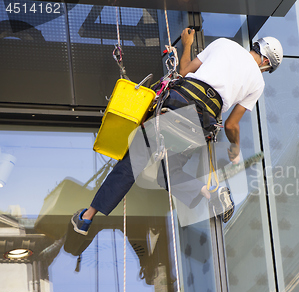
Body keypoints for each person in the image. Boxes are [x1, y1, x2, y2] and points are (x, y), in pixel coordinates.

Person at [71, 28, 283, 235]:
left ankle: (87, 217)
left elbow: (183, 72)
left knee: (132, 162)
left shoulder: (224, 44)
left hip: (176, 105)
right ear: (266, 62)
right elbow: (231, 125)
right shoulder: (258, 82)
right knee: (169, 175)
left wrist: (187, 45)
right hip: (199, 124)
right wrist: (235, 149)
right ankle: (212, 194)